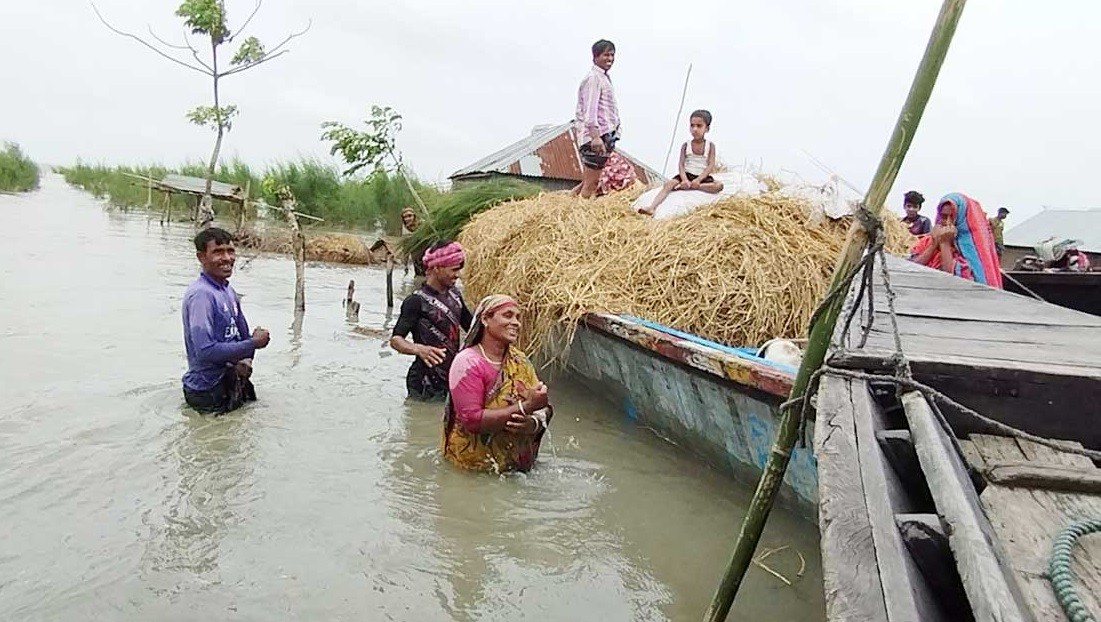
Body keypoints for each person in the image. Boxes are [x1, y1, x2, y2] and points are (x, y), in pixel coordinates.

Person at [442, 295, 552, 473]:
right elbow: (472, 420)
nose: (516, 323)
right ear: (485, 319)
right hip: (472, 470)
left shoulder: (520, 361)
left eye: (518, 317)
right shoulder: (468, 363)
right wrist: (524, 408)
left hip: (514, 469)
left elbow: (543, 406)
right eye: (508, 315)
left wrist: (533, 423)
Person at [182, 227, 270, 414]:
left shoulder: (228, 291)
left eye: (230, 251)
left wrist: (247, 358)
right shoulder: (201, 295)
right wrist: (254, 343)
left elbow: (242, 337)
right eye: (218, 252)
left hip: (230, 380)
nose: (227, 258)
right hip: (207, 390)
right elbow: (205, 351)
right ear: (201, 257)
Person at [390, 241, 474, 400]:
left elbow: (472, 328)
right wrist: (419, 349)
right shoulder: (416, 301)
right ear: (437, 268)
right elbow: (396, 340)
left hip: (452, 377)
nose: (457, 275)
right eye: (454, 269)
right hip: (423, 381)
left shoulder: (455, 296)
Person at [639, 109, 725, 216]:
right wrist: (684, 179)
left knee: (719, 186)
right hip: (687, 174)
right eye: (692, 125)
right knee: (669, 184)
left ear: (706, 128)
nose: (695, 129)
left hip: (701, 177)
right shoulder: (686, 145)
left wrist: (698, 181)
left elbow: (710, 165)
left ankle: (696, 187)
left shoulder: (710, 146)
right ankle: (652, 207)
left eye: (699, 126)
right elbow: (681, 164)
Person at [909, 193, 1003, 288]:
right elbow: (910, 267)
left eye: (953, 217)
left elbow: (954, 281)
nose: (948, 223)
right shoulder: (928, 241)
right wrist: (933, 244)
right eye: (944, 217)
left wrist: (944, 244)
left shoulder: (973, 250)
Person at [574, 39, 620, 199]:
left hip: (606, 135)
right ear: (595, 57)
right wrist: (595, 137)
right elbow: (590, 110)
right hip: (596, 137)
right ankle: (579, 215)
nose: (610, 59)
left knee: (592, 178)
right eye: (606, 55)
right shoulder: (593, 78)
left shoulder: (604, 78)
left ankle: (566, 203)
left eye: (612, 55)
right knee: (591, 184)